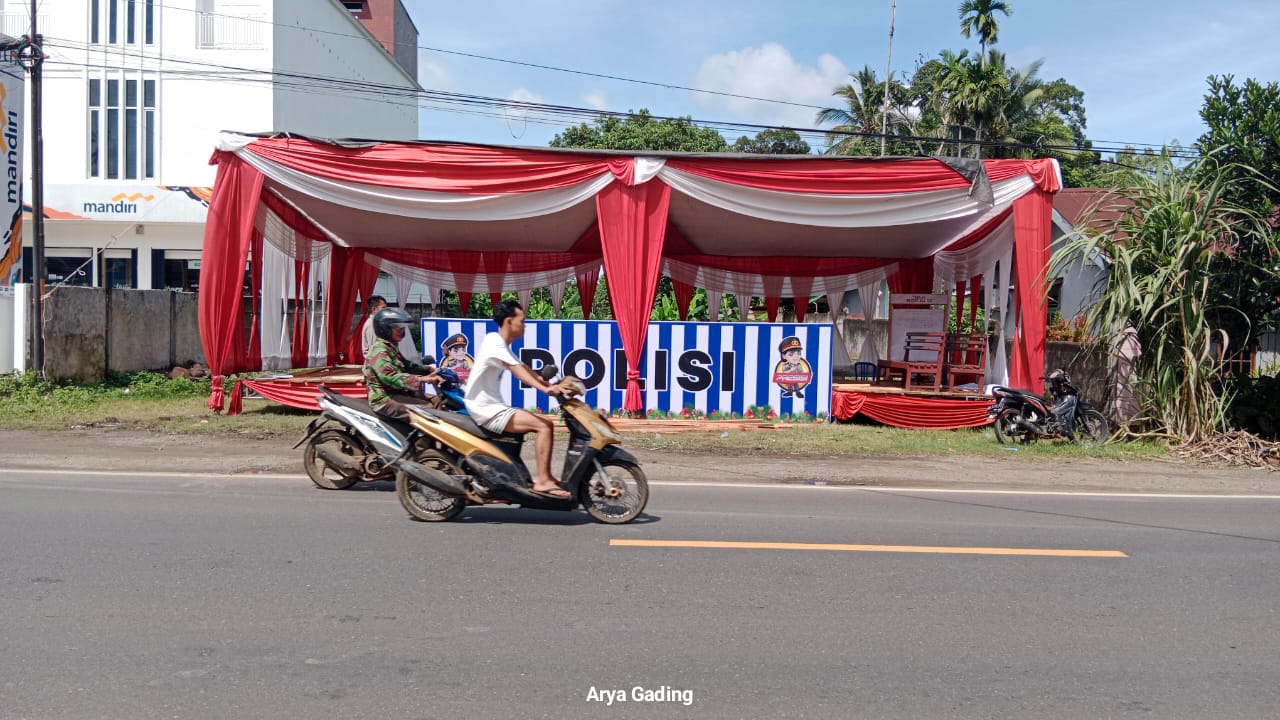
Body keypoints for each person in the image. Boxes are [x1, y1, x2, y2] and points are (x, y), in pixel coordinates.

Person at [464, 299, 567, 498]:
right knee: (544, 425)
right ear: (510, 321)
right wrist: (546, 390)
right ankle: (543, 480)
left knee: (543, 423)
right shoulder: (494, 341)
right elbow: (517, 370)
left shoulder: (501, 344)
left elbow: (525, 368)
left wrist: (551, 385)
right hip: (486, 410)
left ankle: (542, 477)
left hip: (491, 407)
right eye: (522, 321)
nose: (525, 326)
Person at [363, 307, 440, 422]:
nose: (402, 331)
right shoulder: (379, 351)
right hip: (384, 399)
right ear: (385, 329)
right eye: (397, 328)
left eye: (402, 328)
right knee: (429, 411)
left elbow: (406, 365)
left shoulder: (390, 347)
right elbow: (390, 377)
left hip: (398, 393)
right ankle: (421, 440)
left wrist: (427, 369)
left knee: (437, 400)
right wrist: (422, 378)